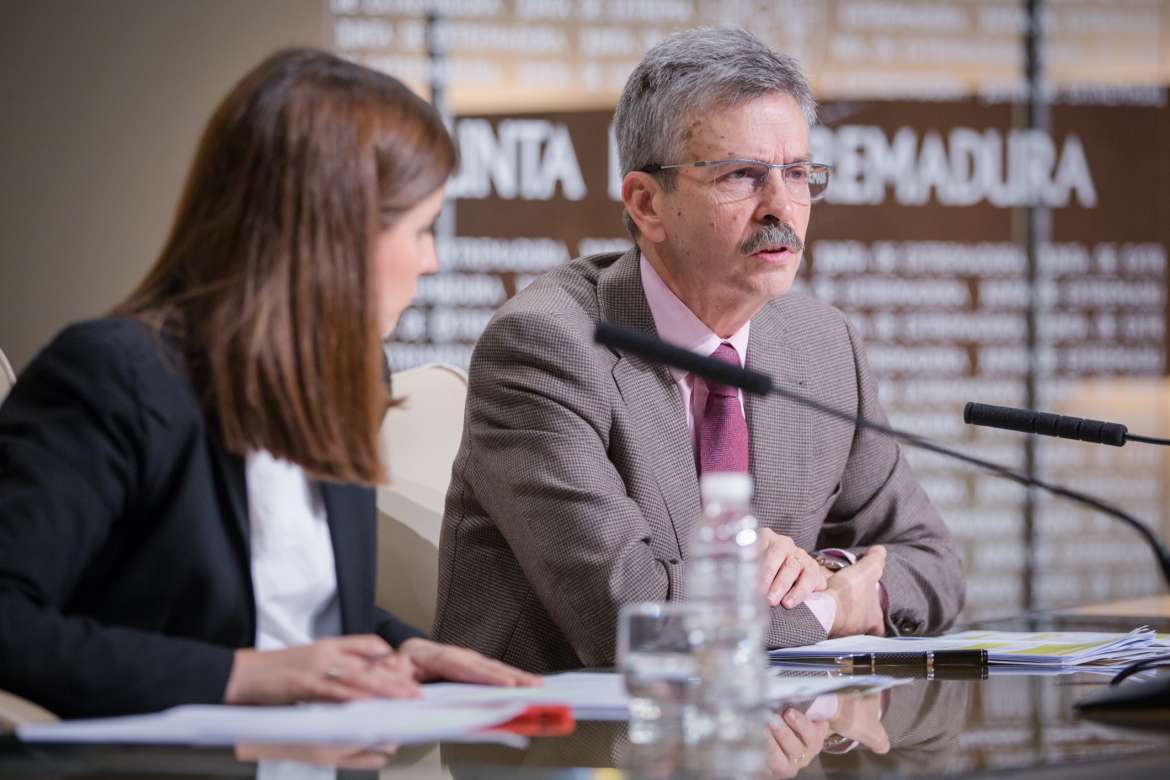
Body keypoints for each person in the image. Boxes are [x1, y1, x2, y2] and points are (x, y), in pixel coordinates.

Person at [0, 48, 537, 719]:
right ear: (333, 232)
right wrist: (240, 676)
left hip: (325, 751)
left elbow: (292, 608)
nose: (430, 261)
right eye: (421, 230)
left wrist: (404, 649)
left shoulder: (348, 377)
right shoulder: (113, 375)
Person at [433, 28, 964, 672]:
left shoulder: (823, 346)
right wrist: (832, 607)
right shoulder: (546, 346)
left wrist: (832, 570)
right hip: (565, 725)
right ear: (647, 204)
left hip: (768, 723)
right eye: (742, 175)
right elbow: (631, 617)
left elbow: (932, 563)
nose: (781, 208)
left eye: (797, 174)